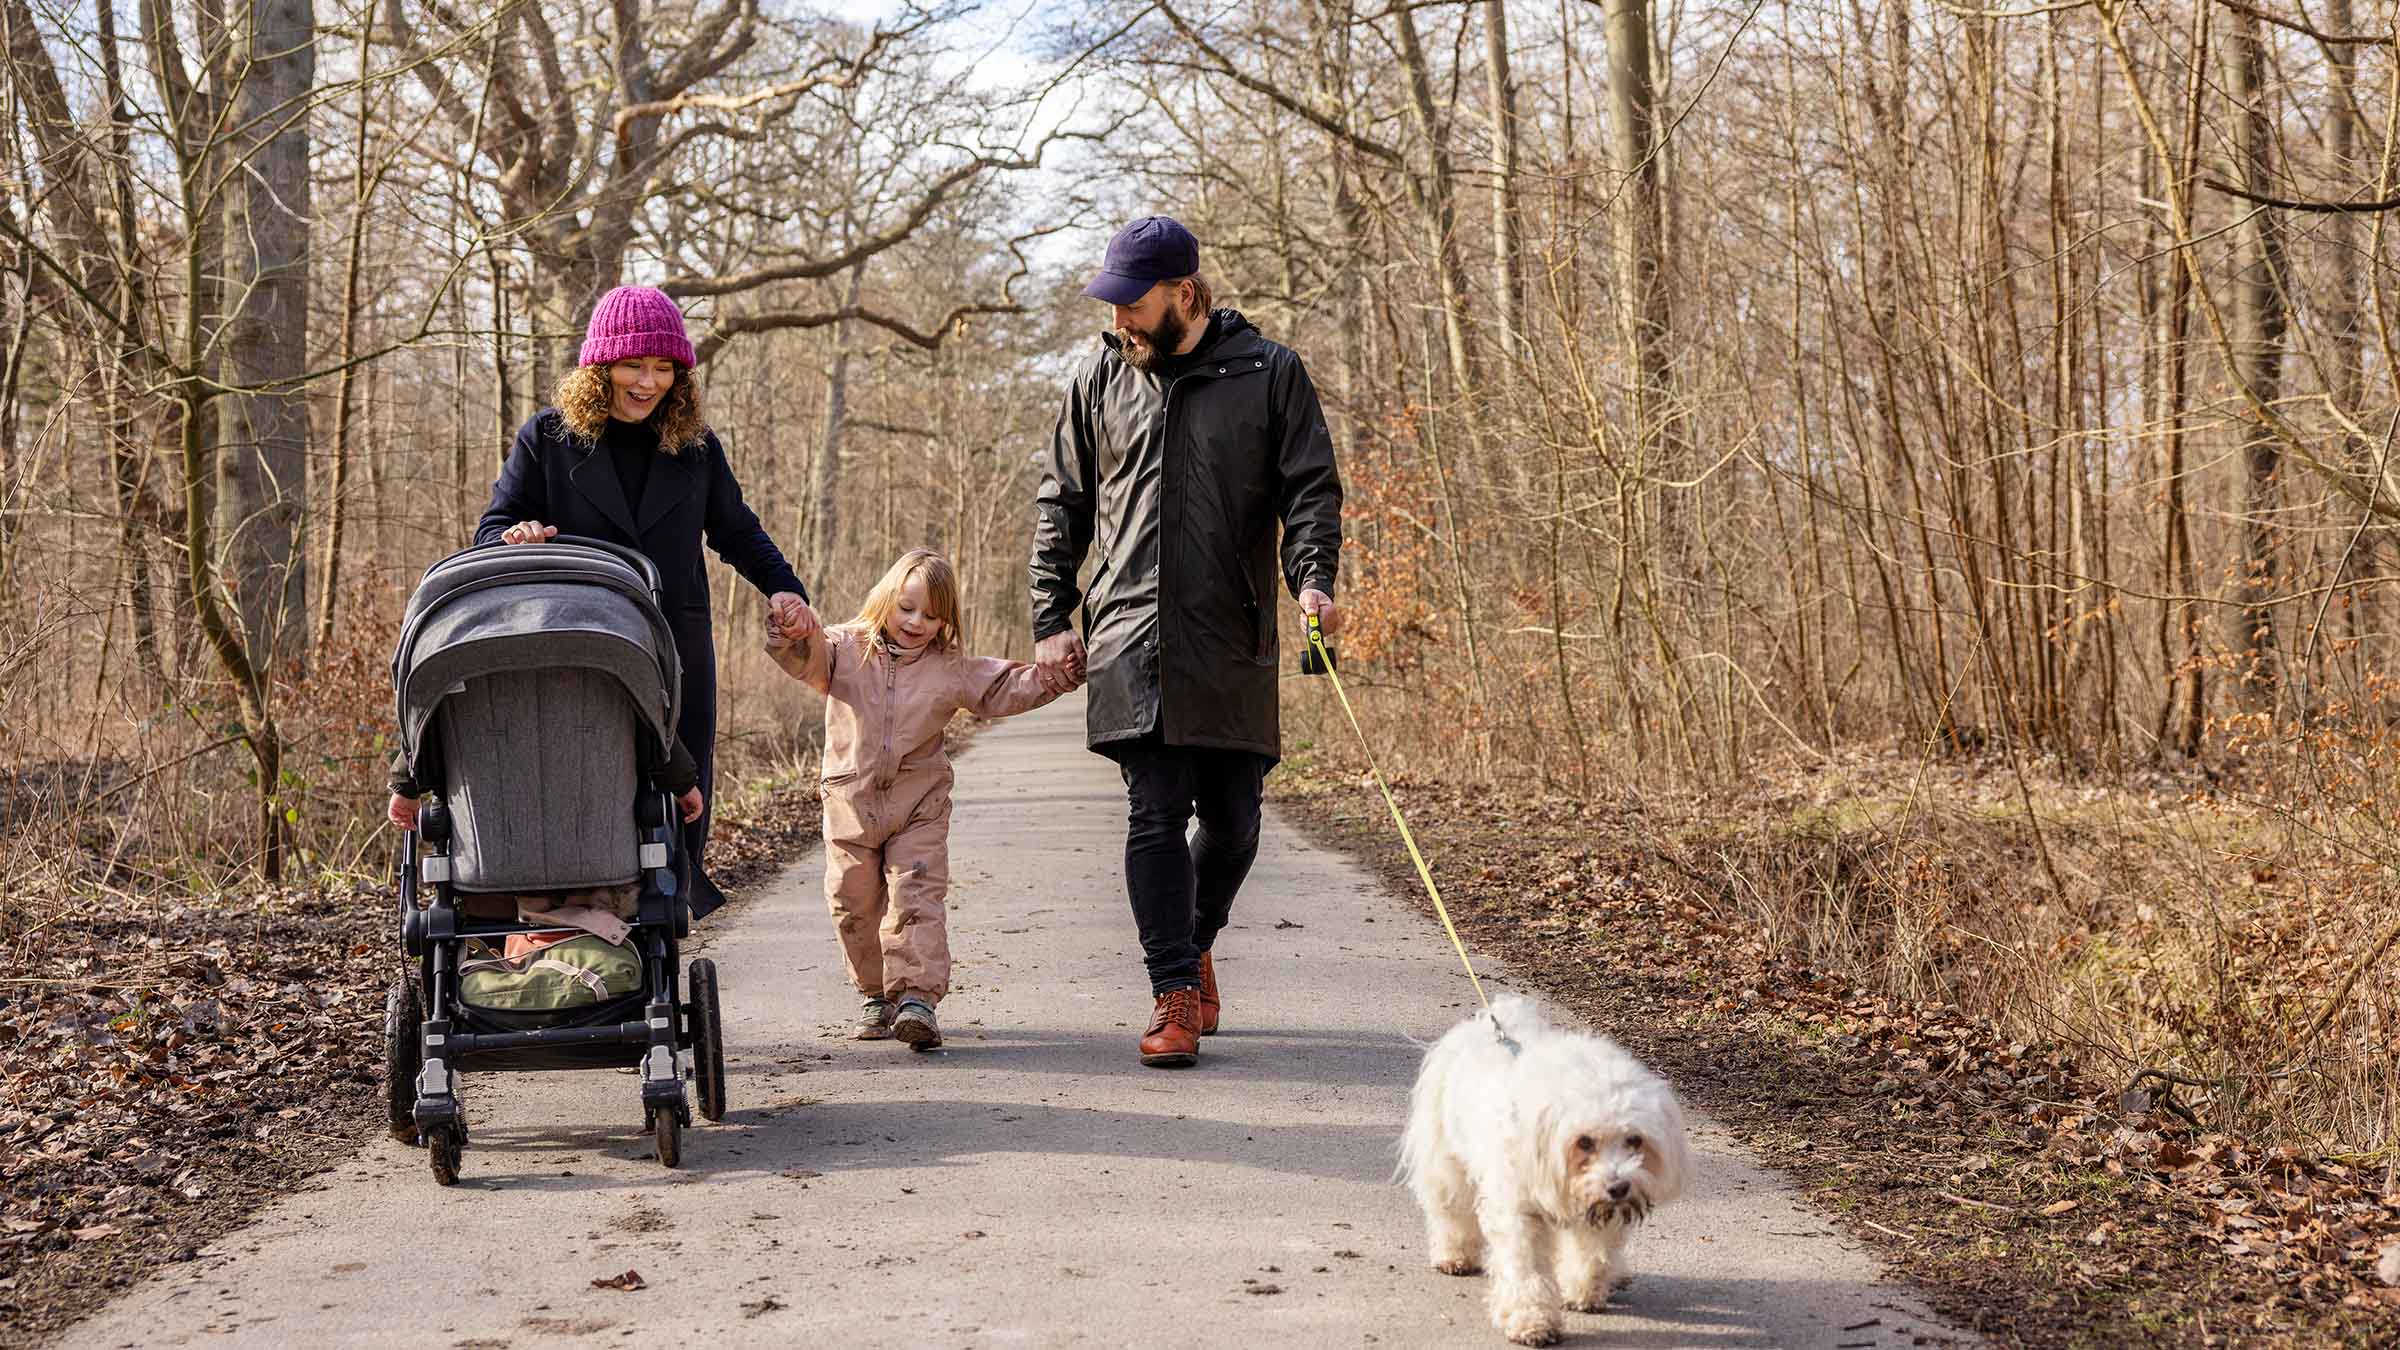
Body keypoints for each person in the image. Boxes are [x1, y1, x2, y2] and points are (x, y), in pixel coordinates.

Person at [1029, 216, 1344, 1068]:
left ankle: (1195, 936)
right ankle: (1172, 992)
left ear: (1187, 295)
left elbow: (1311, 490)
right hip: (1130, 634)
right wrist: (1052, 616)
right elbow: (1063, 504)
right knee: (1154, 811)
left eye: (1134, 304)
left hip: (1232, 636)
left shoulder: (1270, 374)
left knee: (1237, 825)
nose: (1120, 319)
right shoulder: (1100, 375)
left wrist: (1313, 576)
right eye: (1113, 304)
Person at [475, 284, 818, 918]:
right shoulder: (547, 439)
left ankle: (661, 917)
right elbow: (492, 529)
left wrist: (784, 588)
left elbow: (737, 531)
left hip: (675, 644)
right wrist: (515, 533)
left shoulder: (696, 448)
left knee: (678, 783)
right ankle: (577, 910)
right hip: (576, 642)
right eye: (634, 365)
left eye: (664, 368)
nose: (648, 382)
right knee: (586, 772)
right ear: (600, 367)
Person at [763, 549, 1077, 1050]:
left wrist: (1059, 673)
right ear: (886, 599)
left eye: (932, 615)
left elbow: (1004, 685)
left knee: (916, 899)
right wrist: (792, 630)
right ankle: (875, 994)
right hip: (850, 805)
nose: (917, 622)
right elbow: (805, 659)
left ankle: (916, 999)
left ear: (945, 620)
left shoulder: (948, 668)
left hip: (919, 807)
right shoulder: (843, 647)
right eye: (907, 608)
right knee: (851, 904)